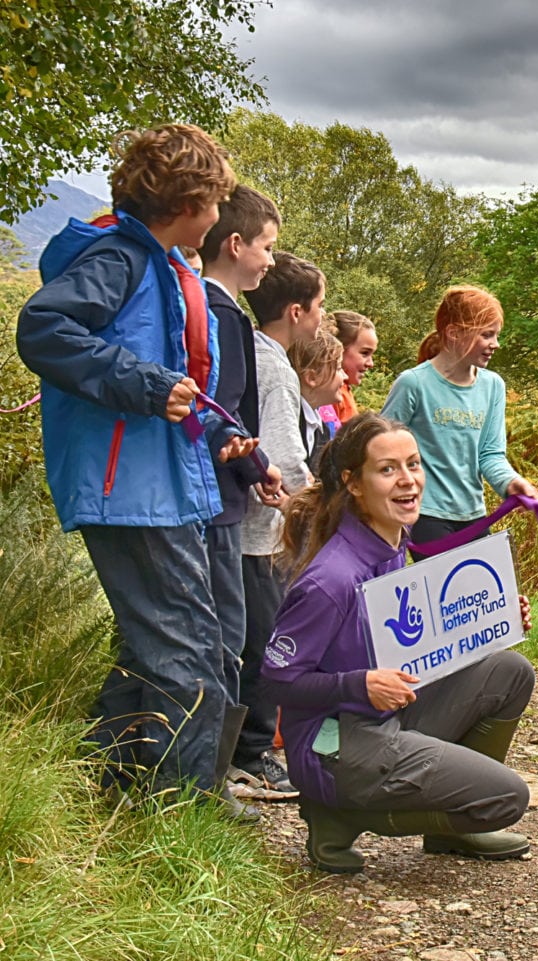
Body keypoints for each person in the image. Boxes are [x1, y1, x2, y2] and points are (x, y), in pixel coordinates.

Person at [15, 124, 252, 796]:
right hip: (130, 492)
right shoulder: (119, 259)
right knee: (186, 650)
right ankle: (180, 810)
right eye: (215, 202)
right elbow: (43, 328)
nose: (218, 214)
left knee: (157, 646)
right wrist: (147, 384)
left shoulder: (162, 267)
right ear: (189, 205)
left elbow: (161, 388)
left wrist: (213, 435)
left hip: (159, 483)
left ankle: (106, 778)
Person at [261, 413, 535, 873]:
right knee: (507, 798)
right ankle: (337, 815)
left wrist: (498, 615)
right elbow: (274, 682)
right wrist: (358, 685)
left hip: (383, 713)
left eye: (414, 464)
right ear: (353, 483)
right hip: (332, 742)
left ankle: (451, 834)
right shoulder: (331, 579)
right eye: (387, 469)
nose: (408, 480)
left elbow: (412, 635)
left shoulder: (392, 540)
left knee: (509, 672)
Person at [199, 183, 286, 816]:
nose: (270, 262)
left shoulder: (214, 308)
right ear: (236, 244)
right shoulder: (222, 313)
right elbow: (223, 409)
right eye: (266, 247)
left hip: (225, 490)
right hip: (216, 501)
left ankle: (210, 769)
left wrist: (254, 464)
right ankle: (211, 773)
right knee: (225, 634)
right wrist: (256, 463)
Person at [235, 251, 328, 799]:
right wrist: (321, 510)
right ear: (296, 311)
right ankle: (251, 755)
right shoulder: (274, 366)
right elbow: (284, 456)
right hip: (260, 531)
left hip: (249, 525)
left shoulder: (247, 348)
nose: (321, 318)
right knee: (265, 643)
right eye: (318, 307)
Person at [381, 286, 538, 550]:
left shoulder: (493, 386)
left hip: (473, 514)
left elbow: (490, 454)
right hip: (426, 513)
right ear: (454, 333)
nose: (495, 344)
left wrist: (511, 482)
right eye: (487, 335)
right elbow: (380, 447)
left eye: (496, 335)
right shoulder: (414, 383)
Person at [289, 331, 347, 475]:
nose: (345, 376)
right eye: (339, 368)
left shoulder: (321, 427)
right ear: (312, 378)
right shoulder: (291, 420)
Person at [322, 310, 377, 424]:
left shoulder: (345, 389)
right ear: (338, 349)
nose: (371, 363)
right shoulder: (329, 394)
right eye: (364, 353)